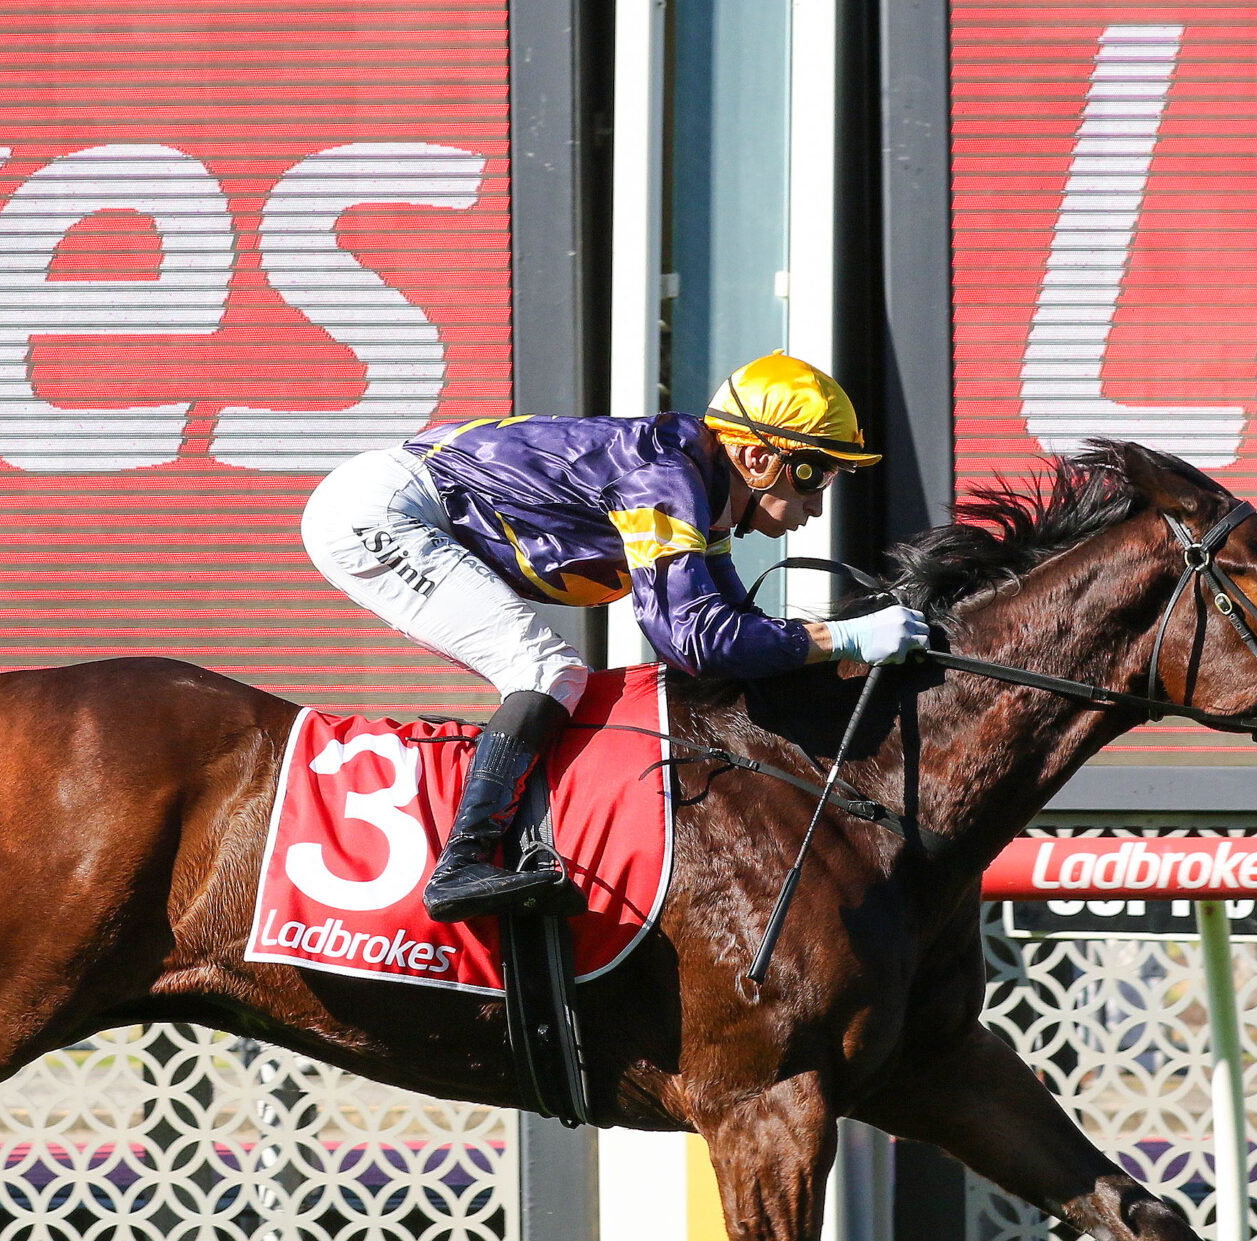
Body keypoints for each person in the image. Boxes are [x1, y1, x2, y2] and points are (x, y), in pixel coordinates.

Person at [300, 351, 930, 922]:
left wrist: (833, 646)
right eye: (816, 476)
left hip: (401, 496)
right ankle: (462, 863)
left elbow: (733, 631)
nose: (817, 505)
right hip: (381, 513)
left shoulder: (700, 487)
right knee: (544, 670)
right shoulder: (666, 481)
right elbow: (692, 639)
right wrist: (843, 639)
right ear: (761, 459)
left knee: (550, 671)